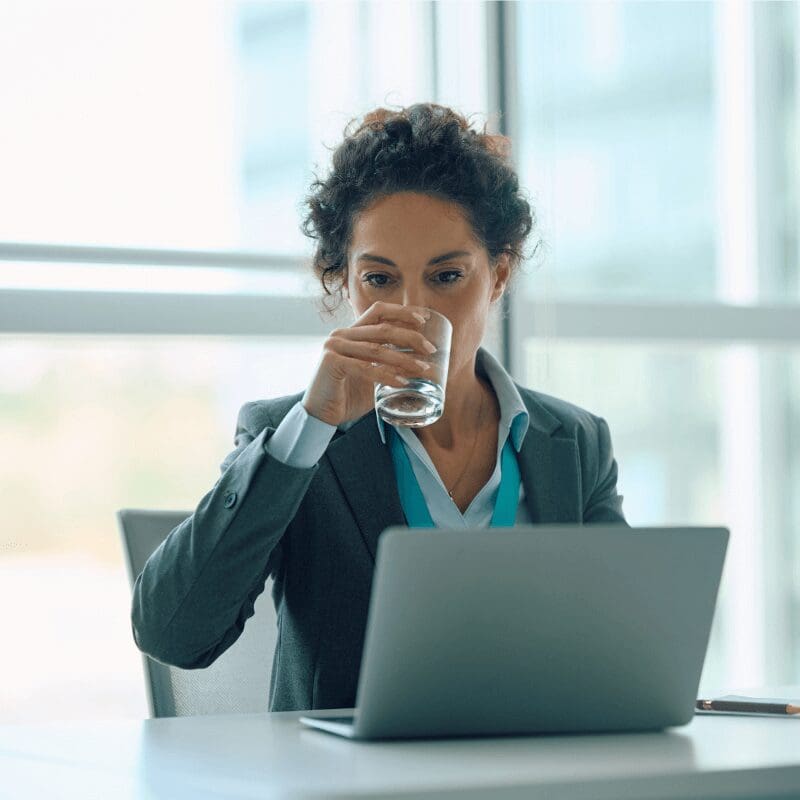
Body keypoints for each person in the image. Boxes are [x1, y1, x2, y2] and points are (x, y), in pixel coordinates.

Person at [131, 103, 627, 712]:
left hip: (527, 769)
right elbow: (173, 634)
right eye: (379, 280)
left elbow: (625, 654)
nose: (412, 311)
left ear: (499, 275)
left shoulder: (574, 442)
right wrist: (313, 426)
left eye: (447, 277)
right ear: (343, 282)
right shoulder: (293, 440)